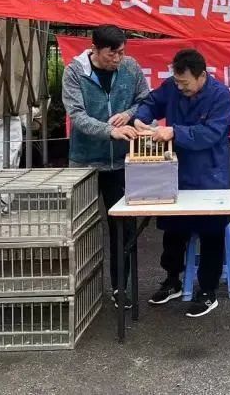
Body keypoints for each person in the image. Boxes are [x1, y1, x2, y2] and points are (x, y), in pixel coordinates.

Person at [133, 48, 230, 318]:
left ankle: (208, 290)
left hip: (210, 174)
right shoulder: (172, 86)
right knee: (173, 229)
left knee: (212, 232)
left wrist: (174, 131)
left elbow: (211, 133)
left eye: (185, 83)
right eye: (177, 82)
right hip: (175, 172)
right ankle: (172, 280)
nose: (180, 87)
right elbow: (152, 101)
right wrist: (141, 118)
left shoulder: (220, 96)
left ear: (202, 76)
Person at [62, 25, 149, 306]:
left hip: (122, 163)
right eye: (113, 54)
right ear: (95, 49)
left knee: (123, 228)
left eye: (122, 52)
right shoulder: (74, 73)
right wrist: (109, 130)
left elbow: (145, 100)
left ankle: (121, 287)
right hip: (85, 163)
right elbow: (77, 116)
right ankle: (81, 291)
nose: (118, 59)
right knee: (82, 229)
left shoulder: (131, 67)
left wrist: (128, 113)